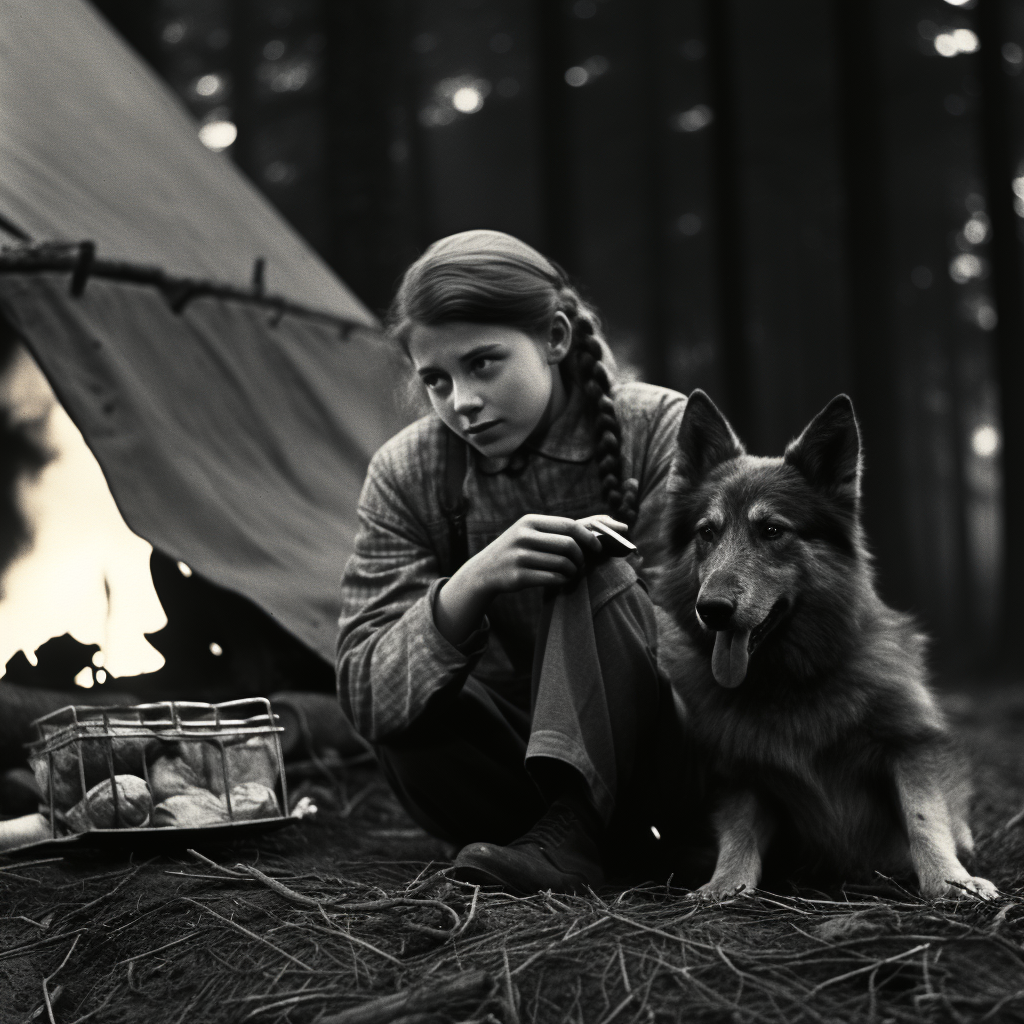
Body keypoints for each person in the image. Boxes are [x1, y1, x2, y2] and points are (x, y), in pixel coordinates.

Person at [336, 230, 689, 893]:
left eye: (484, 364)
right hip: (505, 802)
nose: (460, 401)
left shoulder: (658, 428)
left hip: (669, 771)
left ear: (554, 338)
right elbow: (365, 693)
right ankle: (552, 837)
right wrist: (470, 585)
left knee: (598, 567)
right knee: (410, 705)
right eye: (436, 379)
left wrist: (600, 593)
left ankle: (590, 832)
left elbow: (719, 643)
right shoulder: (407, 471)